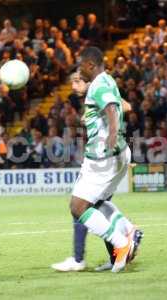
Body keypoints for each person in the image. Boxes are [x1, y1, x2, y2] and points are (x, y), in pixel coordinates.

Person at [52, 72, 141, 272]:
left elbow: (125, 106)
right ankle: (121, 243)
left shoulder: (98, 89)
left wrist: (109, 124)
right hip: (104, 155)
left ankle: (83, 257)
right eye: (71, 82)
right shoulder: (94, 93)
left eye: (76, 81)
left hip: (104, 157)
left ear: (87, 80)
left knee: (81, 205)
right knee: (97, 204)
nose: (73, 86)